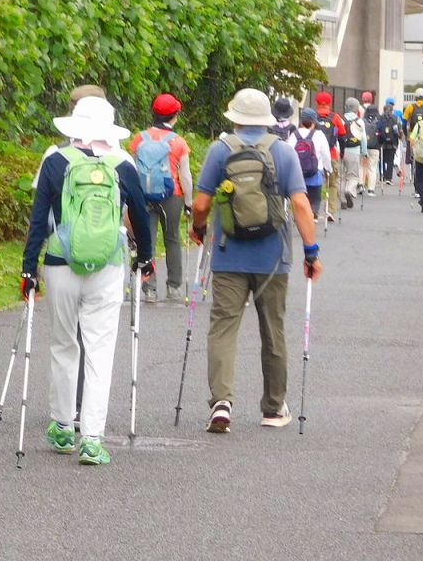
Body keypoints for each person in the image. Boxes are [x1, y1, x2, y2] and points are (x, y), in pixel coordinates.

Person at [23, 95, 152, 466]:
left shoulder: (55, 161)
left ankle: (63, 425)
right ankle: (92, 438)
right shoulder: (123, 163)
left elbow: (38, 220)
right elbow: (140, 217)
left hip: (61, 262)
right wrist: (144, 256)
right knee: (99, 349)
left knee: (64, 344)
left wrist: (29, 268)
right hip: (108, 266)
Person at [188, 88, 322, 434]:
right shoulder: (283, 152)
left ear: (234, 118)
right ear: (265, 121)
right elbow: (303, 206)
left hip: (229, 256)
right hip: (273, 258)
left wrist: (199, 228)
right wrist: (311, 252)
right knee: (273, 331)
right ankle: (274, 408)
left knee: (223, 328)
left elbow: (201, 204)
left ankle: (221, 402)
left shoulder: (220, 151)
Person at [129, 93, 193, 303]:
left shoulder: (139, 138)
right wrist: (189, 202)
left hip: (144, 195)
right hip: (172, 195)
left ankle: (149, 288)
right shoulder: (178, 142)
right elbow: (185, 175)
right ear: (175, 115)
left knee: (147, 239)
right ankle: (174, 287)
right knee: (173, 238)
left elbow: (133, 169)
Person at [290, 108, 332, 218]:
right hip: (315, 173)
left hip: (297, 174)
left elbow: (289, 154)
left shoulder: (294, 135)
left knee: (300, 197)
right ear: (313, 122)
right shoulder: (319, 135)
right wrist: (328, 169)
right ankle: (313, 214)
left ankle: (300, 215)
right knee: (315, 198)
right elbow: (326, 155)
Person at [313, 92, 345, 219]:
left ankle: (315, 210)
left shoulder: (312, 116)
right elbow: (342, 136)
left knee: (317, 183)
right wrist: (342, 152)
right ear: (330, 103)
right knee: (332, 183)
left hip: (315, 156)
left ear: (316, 102)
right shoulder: (335, 117)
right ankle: (330, 210)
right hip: (331, 154)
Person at [339, 97, 367, 208]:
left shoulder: (340, 119)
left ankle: (342, 199)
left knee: (341, 176)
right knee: (353, 176)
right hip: (354, 151)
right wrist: (364, 152)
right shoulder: (360, 121)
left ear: (346, 107)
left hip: (341, 151)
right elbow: (363, 139)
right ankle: (349, 190)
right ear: (357, 109)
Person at [360, 91, 381, 196]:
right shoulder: (379, 120)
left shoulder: (361, 117)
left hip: (364, 145)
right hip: (375, 146)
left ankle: (360, 185)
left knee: (362, 166)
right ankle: (371, 190)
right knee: (372, 167)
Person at [378, 97, 402, 186]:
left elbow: (378, 129)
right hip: (393, 142)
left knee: (382, 159)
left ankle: (382, 176)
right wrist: (399, 136)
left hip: (382, 142)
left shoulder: (380, 118)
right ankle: (389, 178)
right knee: (390, 160)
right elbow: (399, 130)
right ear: (392, 110)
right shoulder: (396, 118)